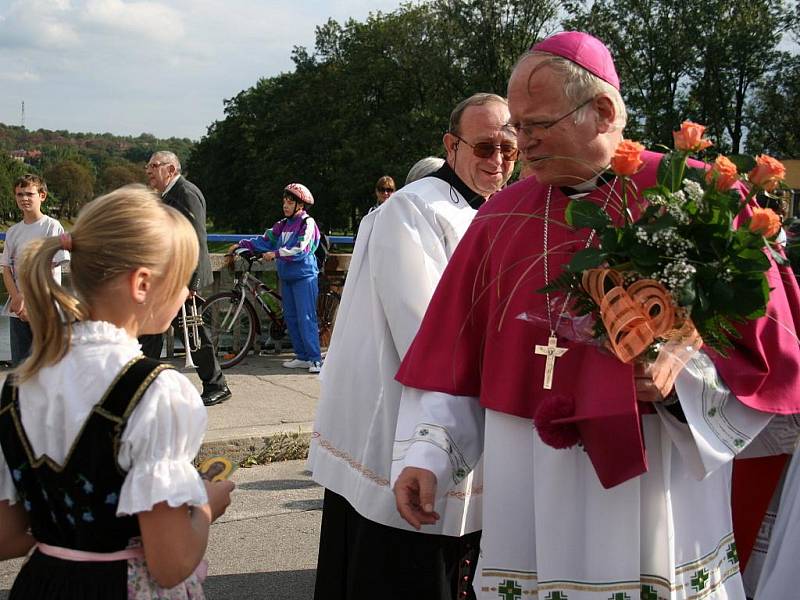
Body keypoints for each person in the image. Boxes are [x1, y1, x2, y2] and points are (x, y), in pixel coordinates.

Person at [391, 32, 800, 599]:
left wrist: (684, 378)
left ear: (602, 112)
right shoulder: (499, 219)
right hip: (531, 480)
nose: (521, 145)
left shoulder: (703, 199)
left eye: (536, 126)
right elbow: (457, 357)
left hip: (662, 477)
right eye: (516, 127)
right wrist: (428, 455)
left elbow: (768, 352)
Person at [308, 92, 517, 600]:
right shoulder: (413, 209)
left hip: (470, 406)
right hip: (409, 413)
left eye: (509, 150)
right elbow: (424, 328)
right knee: (403, 561)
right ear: (452, 145)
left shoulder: (500, 210)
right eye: (485, 147)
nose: (498, 162)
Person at [0, 185, 234, 598]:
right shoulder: (157, 392)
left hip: (41, 584)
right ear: (142, 283)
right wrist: (205, 504)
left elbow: (7, 536)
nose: (184, 294)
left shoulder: (22, 383)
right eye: (182, 281)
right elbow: (170, 562)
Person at [140, 151, 231, 407]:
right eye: (147, 166)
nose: (148, 171)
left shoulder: (185, 193)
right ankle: (142, 383)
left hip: (182, 278)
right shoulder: (170, 193)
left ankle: (217, 385)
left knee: (193, 333)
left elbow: (195, 238)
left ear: (170, 169)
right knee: (152, 330)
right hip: (170, 276)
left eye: (154, 166)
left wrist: (190, 283)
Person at [231, 183, 323, 374]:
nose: (286, 205)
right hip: (287, 277)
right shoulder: (282, 225)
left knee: (306, 317)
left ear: (300, 205)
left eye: (290, 201)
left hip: (304, 276)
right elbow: (264, 241)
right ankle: (301, 356)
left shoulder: (307, 223)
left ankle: (315, 359)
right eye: (284, 201)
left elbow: (302, 249)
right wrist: (241, 244)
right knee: (290, 317)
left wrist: (276, 254)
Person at [1, 175, 69, 367]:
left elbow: (50, 266)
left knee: (47, 367)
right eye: (19, 194)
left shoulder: (52, 227)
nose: (24, 198)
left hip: (44, 308)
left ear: (42, 196)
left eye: (29, 194)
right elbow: (6, 268)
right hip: (19, 311)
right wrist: (16, 298)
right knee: (20, 369)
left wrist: (26, 297)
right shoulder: (13, 231)